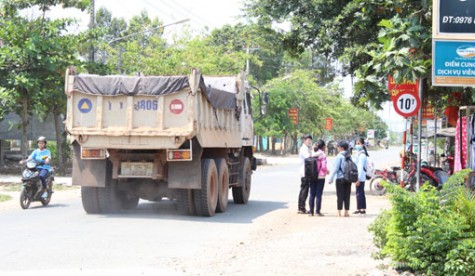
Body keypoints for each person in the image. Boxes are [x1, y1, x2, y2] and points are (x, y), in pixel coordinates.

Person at [327, 141, 351, 217]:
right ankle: (346, 212)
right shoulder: (349, 156)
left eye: (338, 147)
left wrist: (330, 178)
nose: (337, 148)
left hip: (340, 178)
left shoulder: (339, 156)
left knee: (340, 195)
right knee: (347, 195)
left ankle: (339, 212)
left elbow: (335, 169)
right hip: (348, 178)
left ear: (341, 148)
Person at [308, 139, 328, 216]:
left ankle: (311, 212)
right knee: (319, 194)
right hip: (320, 176)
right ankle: (317, 211)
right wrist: (326, 172)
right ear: (323, 147)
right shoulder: (322, 154)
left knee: (312, 194)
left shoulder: (312, 153)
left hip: (312, 175)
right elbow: (323, 167)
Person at [298, 134, 313, 214]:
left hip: (306, 172)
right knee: (304, 190)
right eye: (308, 140)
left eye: (310, 140)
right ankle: (301, 208)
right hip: (304, 172)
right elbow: (309, 158)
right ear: (304, 140)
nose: (309, 142)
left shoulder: (306, 148)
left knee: (304, 190)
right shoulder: (303, 149)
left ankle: (301, 207)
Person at [353, 138, 368, 215]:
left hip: (360, 177)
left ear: (363, 145)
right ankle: (362, 208)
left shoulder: (362, 155)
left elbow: (360, 168)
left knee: (359, 193)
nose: (357, 145)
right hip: (360, 177)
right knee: (360, 192)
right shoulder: (359, 154)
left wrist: (357, 178)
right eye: (356, 143)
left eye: (359, 143)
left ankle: (360, 209)